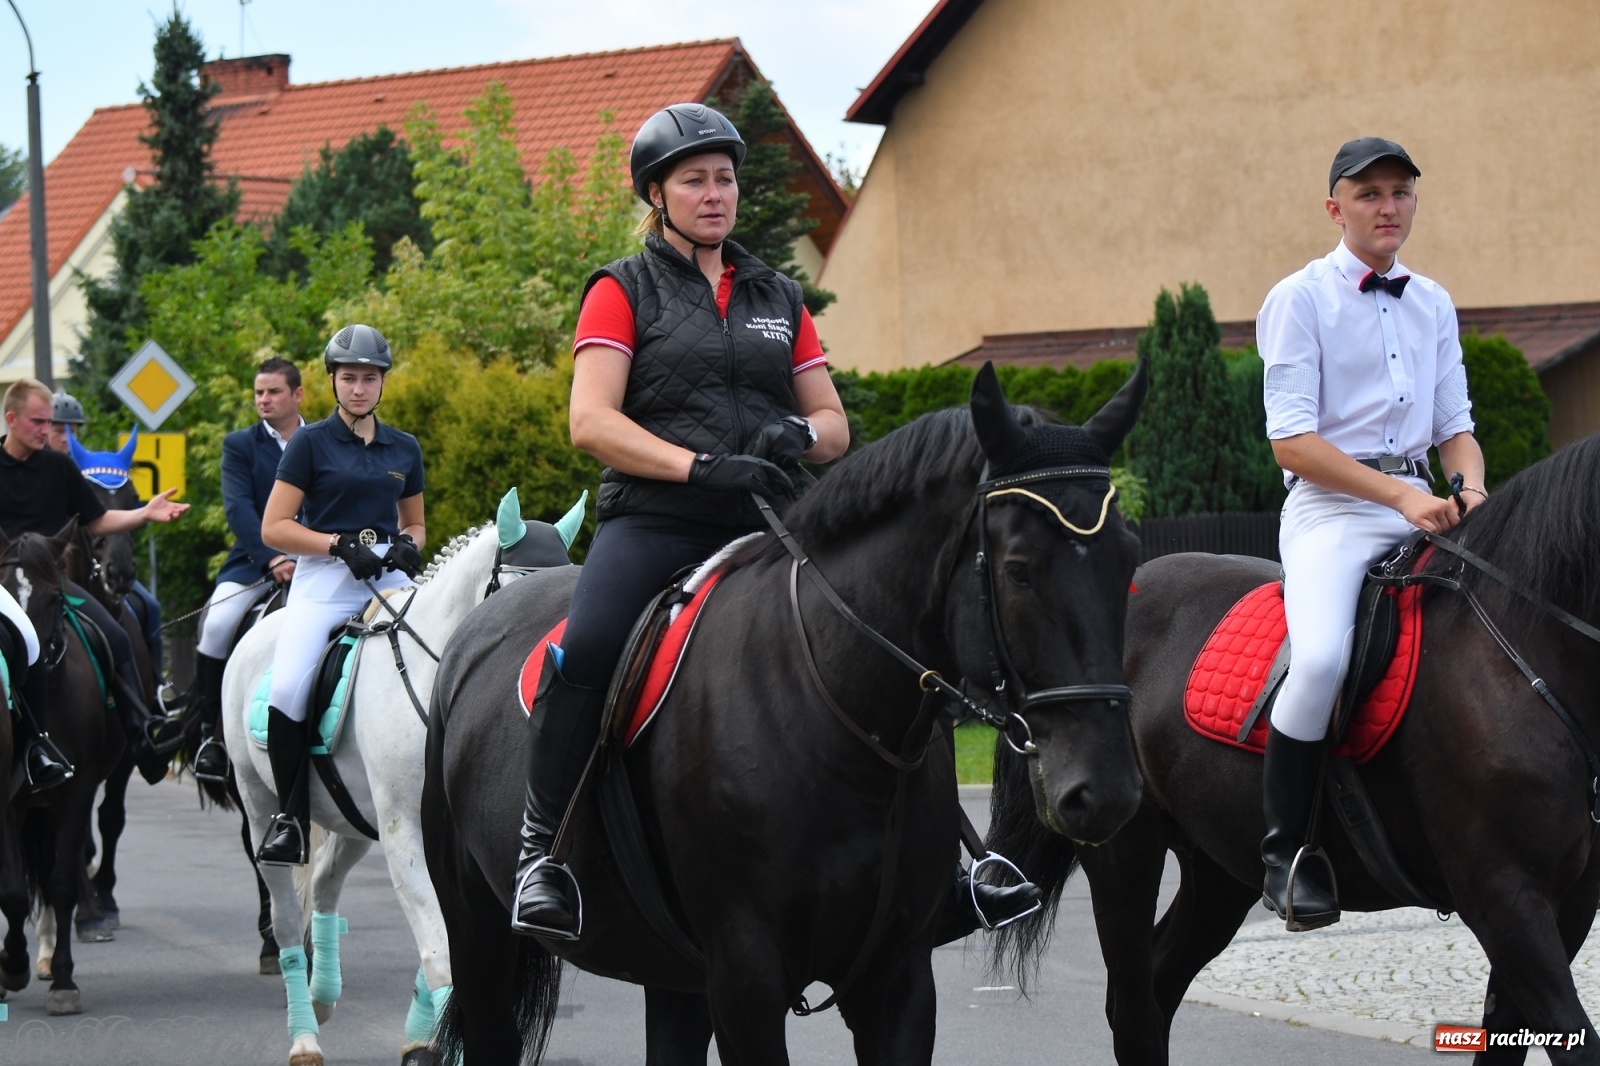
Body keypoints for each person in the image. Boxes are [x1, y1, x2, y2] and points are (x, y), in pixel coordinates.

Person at [512, 103, 1040, 941]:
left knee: (896, 646)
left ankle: (958, 861)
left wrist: (793, 433)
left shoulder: (776, 294)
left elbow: (834, 427)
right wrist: (696, 464)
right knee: (592, 649)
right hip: (655, 520)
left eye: (725, 178)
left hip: (772, 517)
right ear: (658, 193)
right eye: (695, 180)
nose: (715, 193)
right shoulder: (620, 289)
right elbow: (591, 422)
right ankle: (543, 856)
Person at [1255, 137, 1486, 931]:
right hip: (1330, 508)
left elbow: (1455, 427)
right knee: (1319, 659)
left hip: (1422, 501)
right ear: (1335, 208)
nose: (1388, 208)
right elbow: (1290, 442)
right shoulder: (1298, 298)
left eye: (1401, 193)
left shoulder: (1434, 302)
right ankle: (1286, 854)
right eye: (1369, 195)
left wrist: (1473, 489)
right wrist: (1398, 494)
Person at [254, 325, 425, 865]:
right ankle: (289, 818)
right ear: (332, 381)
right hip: (325, 581)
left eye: (368, 378)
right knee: (288, 687)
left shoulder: (405, 447)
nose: (358, 388)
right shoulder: (309, 443)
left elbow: (416, 524)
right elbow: (274, 528)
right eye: (348, 378)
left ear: (382, 383)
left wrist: (407, 547)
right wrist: (335, 544)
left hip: (387, 580)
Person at [0, 378, 189, 788]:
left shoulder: (58, 467)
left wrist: (145, 514)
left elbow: (98, 520)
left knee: (117, 637)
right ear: (11, 419)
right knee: (25, 646)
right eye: (38, 422)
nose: (47, 431)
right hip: (1, 587)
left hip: (52, 583)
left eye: (48, 422)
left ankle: (141, 735)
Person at [189, 358, 305, 782]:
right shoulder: (239, 445)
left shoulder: (324, 439)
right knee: (218, 623)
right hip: (255, 562)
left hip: (319, 559)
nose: (264, 400)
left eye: (273, 391)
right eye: (258, 392)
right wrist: (273, 557)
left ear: (298, 395)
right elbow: (238, 508)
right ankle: (210, 736)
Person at [49, 390, 166, 685]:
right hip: (45, 571)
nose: (65, 437)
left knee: (150, 606)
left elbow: (109, 517)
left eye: (71, 430)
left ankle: (155, 689)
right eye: (57, 429)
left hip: (96, 564)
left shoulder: (88, 472)